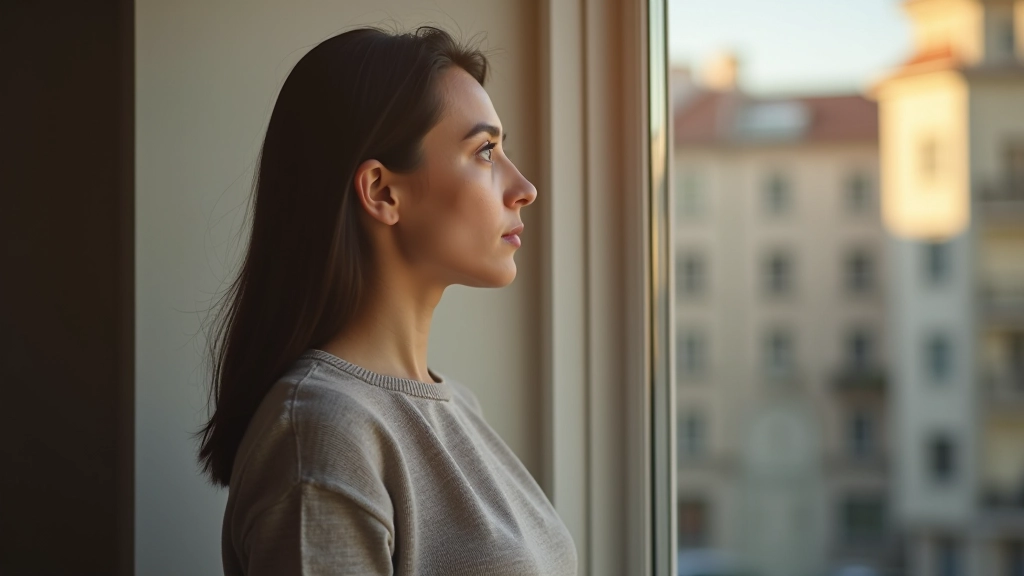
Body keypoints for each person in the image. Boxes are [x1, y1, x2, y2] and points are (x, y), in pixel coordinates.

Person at [194, 26, 578, 575]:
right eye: (485, 150)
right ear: (381, 191)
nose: (524, 187)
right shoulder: (322, 432)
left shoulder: (457, 407)